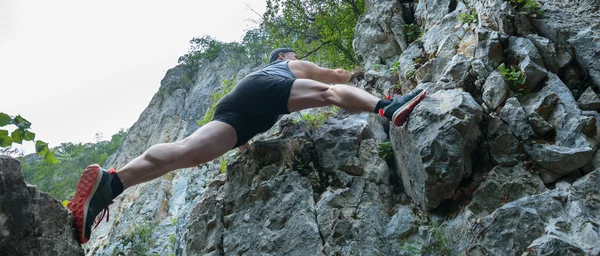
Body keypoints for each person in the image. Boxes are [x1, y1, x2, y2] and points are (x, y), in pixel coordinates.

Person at [67, 48, 426, 244]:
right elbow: (332, 79)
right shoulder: (288, 65)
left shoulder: (255, 76)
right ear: (285, 57)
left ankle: (112, 183)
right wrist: (349, 73)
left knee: (188, 152)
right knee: (328, 93)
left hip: (235, 112)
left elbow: (247, 130)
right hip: (265, 96)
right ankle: (387, 105)